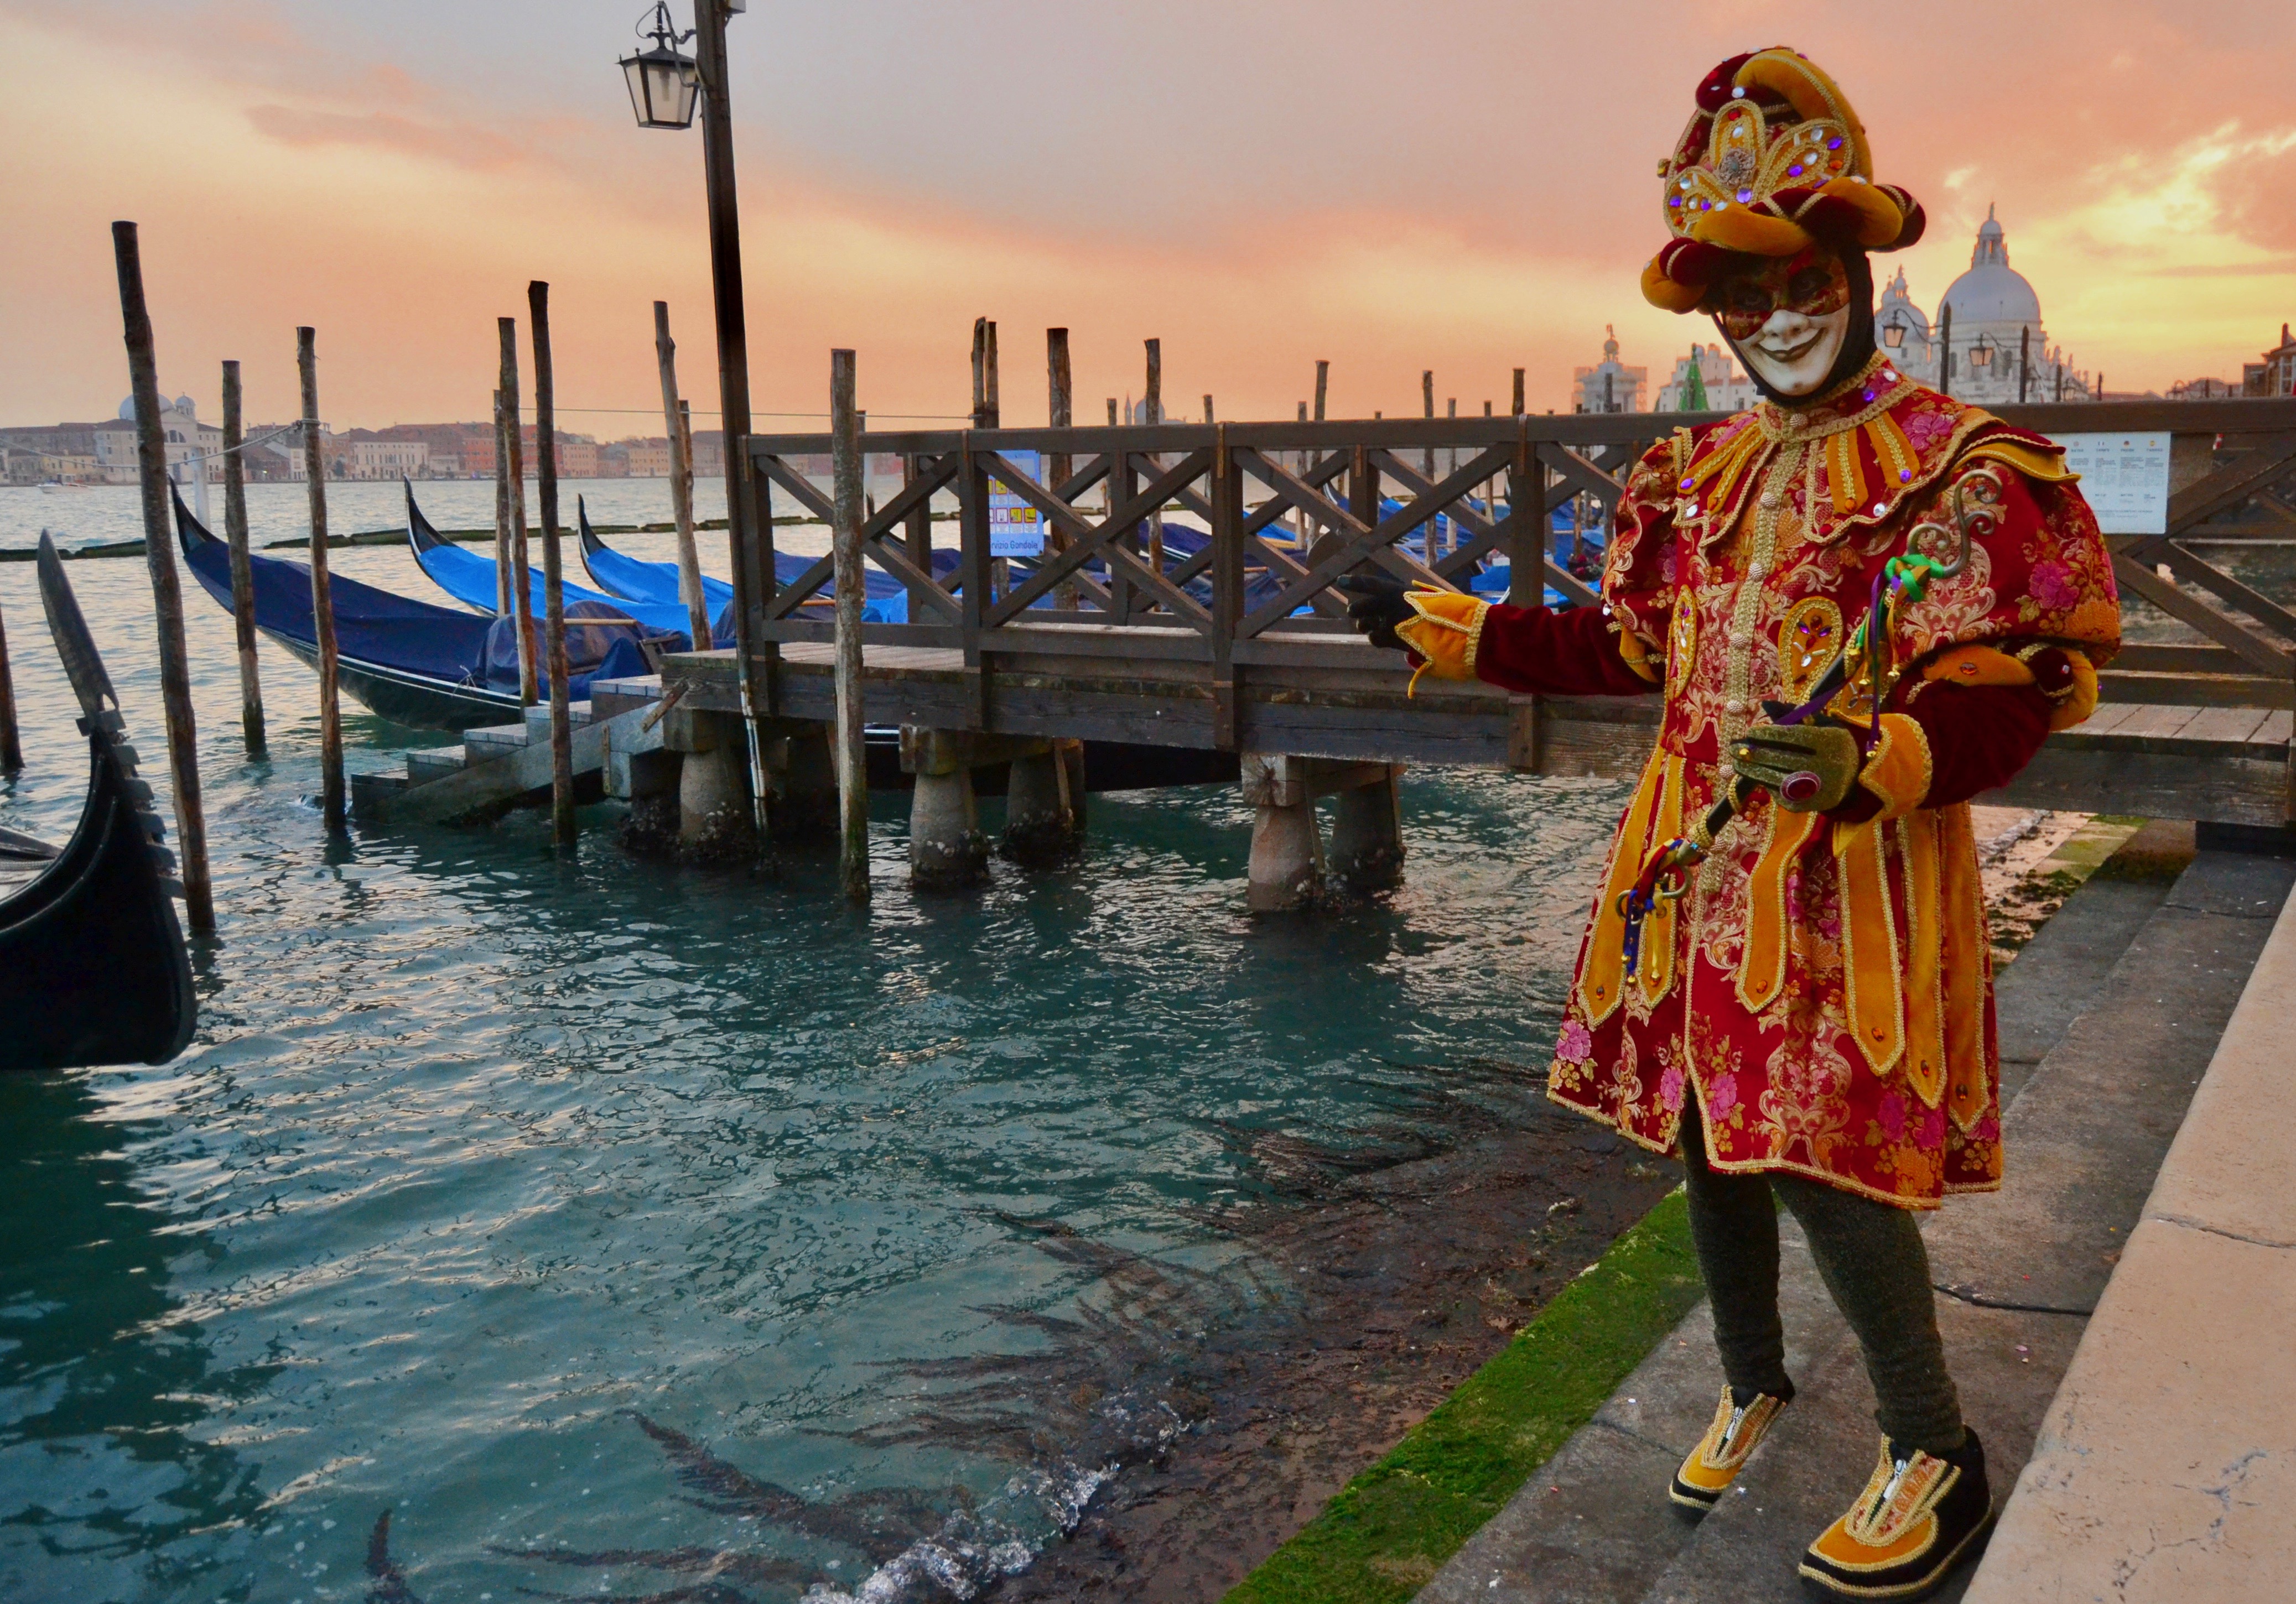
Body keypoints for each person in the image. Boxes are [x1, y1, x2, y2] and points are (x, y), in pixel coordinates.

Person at [1343, 46, 2120, 1603]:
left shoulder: (1966, 472)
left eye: (1791, 280)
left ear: (1850, 263)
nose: (1767, 319)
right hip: (1690, 858)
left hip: (1856, 875)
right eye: (1734, 296)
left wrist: (1880, 753)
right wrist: (1454, 629)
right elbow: (1630, 649)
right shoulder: (1692, 467)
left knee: (1829, 1151)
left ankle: (1935, 1448)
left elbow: (2033, 684)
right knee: (1705, 1124)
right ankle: (1754, 1375)